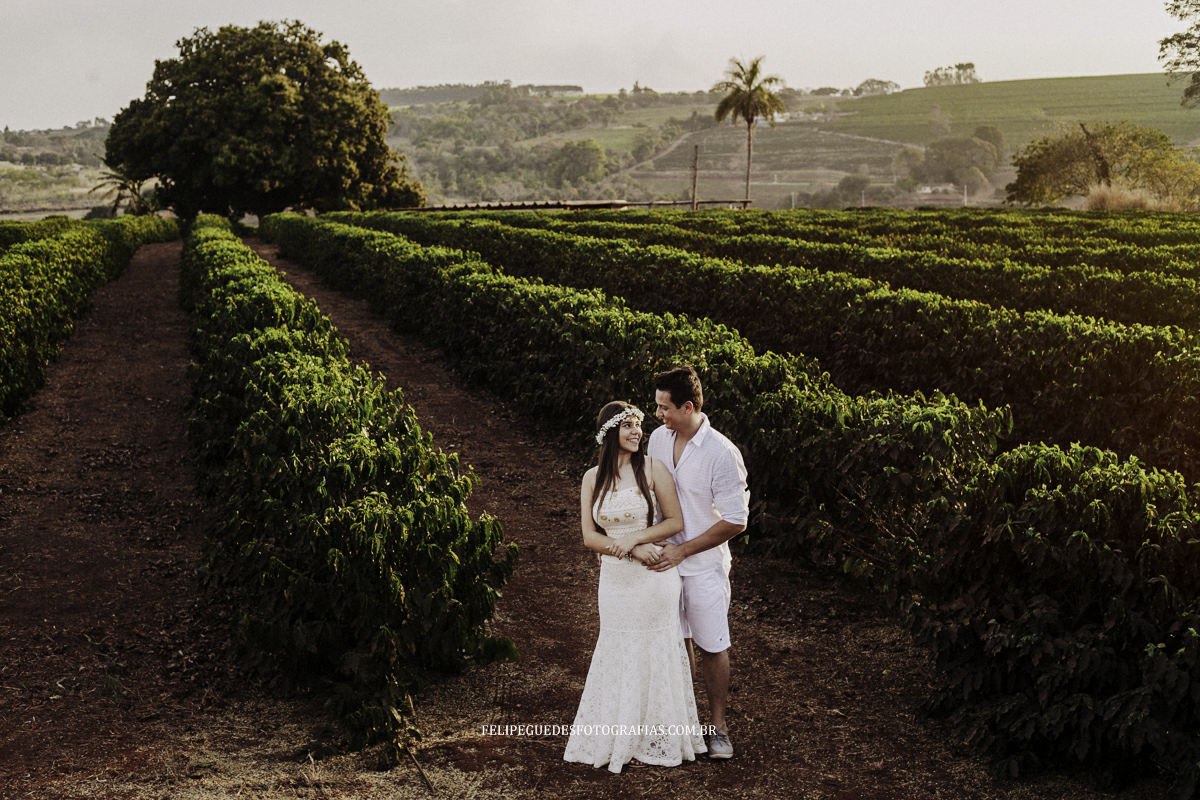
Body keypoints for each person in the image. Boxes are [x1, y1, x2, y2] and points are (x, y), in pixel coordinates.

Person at [563, 401, 707, 773]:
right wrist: (628, 550)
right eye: (628, 425)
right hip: (615, 577)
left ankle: (657, 736)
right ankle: (619, 733)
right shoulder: (592, 478)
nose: (636, 432)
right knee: (617, 644)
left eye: (638, 425)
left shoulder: (652, 468)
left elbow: (674, 521)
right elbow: (589, 536)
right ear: (610, 432)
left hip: (654, 577)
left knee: (654, 645)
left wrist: (637, 540)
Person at [646, 365, 749, 760]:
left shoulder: (722, 453)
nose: (658, 415)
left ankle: (718, 727)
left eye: (664, 407)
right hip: (663, 561)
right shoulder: (657, 439)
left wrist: (684, 550)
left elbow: (736, 520)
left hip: (703, 565)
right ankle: (684, 724)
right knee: (675, 643)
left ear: (688, 407)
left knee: (711, 644)